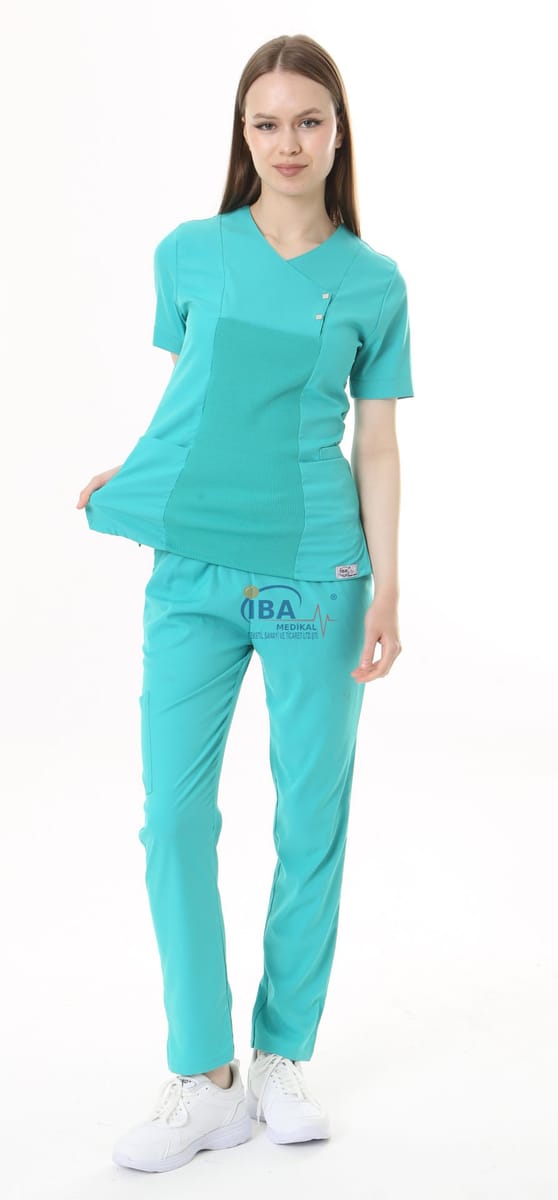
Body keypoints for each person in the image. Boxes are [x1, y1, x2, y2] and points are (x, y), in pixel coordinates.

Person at [76, 32, 414, 1174]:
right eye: (266, 123)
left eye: (308, 120)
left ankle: (281, 1056)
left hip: (315, 576)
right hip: (195, 574)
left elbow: (377, 444)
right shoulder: (188, 252)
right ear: (243, 134)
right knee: (173, 818)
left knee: (310, 815)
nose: (287, 142)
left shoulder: (373, 281)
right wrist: (138, 476)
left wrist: (388, 583)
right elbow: (196, 398)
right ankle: (203, 1075)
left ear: (338, 132)